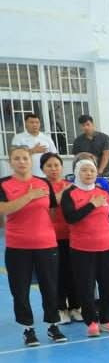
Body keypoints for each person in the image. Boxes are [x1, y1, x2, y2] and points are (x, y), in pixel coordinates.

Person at [0, 146, 65, 345]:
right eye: (17, 158)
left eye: (25, 158)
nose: (21, 161)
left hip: (46, 244)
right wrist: (28, 196)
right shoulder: (4, 184)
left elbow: (51, 210)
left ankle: (53, 325)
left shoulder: (43, 183)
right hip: (18, 246)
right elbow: (3, 210)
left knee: (50, 286)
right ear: (10, 162)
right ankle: (27, 329)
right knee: (20, 289)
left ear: (31, 161)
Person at [61, 157, 109, 336]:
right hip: (81, 250)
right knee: (85, 287)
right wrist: (91, 205)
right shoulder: (70, 193)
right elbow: (71, 218)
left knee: (108, 285)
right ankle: (91, 321)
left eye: (92, 170)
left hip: (107, 248)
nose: (88, 174)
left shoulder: (105, 193)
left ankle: (107, 319)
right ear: (77, 173)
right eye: (84, 170)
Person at [42, 153, 79, 325]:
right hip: (51, 238)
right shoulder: (41, 186)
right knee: (57, 274)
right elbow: (50, 205)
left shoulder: (70, 185)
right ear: (43, 169)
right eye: (49, 166)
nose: (53, 169)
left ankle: (75, 307)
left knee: (73, 272)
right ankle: (60, 308)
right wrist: (64, 192)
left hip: (72, 236)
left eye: (56, 165)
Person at [11, 113, 57, 177]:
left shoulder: (47, 138)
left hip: (45, 175)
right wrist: (33, 151)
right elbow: (14, 156)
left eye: (37, 122)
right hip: (25, 176)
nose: (35, 124)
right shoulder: (18, 138)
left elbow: (54, 156)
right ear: (26, 124)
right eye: (31, 122)